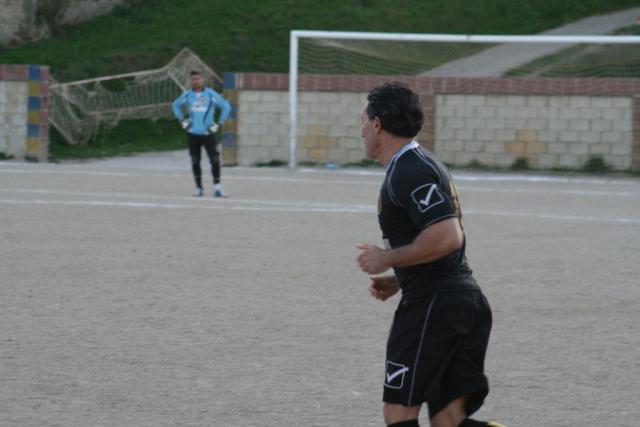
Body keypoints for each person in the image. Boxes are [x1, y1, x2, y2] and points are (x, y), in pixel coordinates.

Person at [356, 83, 506, 427]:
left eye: (362, 120)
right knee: (448, 421)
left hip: (433, 306)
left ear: (377, 124)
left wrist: (388, 258)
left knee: (399, 413)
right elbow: (437, 238)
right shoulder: (417, 163)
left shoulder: (409, 170)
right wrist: (401, 277)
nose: (360, 129)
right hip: (457, 300)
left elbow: (448, 235)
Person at [172, 71, 231, 197]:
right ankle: (199, 188)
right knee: (195, 160)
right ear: (190, 81)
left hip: (208, 133)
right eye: (193, 79)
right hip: (192, 133)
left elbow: (226, 107)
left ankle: (217, 188)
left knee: (214, 159)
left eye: (197, 79)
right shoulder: (187, 95)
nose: (195, 81)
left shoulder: (210, 94)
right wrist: (182, 120)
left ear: (202, 80)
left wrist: (219, 124)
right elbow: (175, 105)